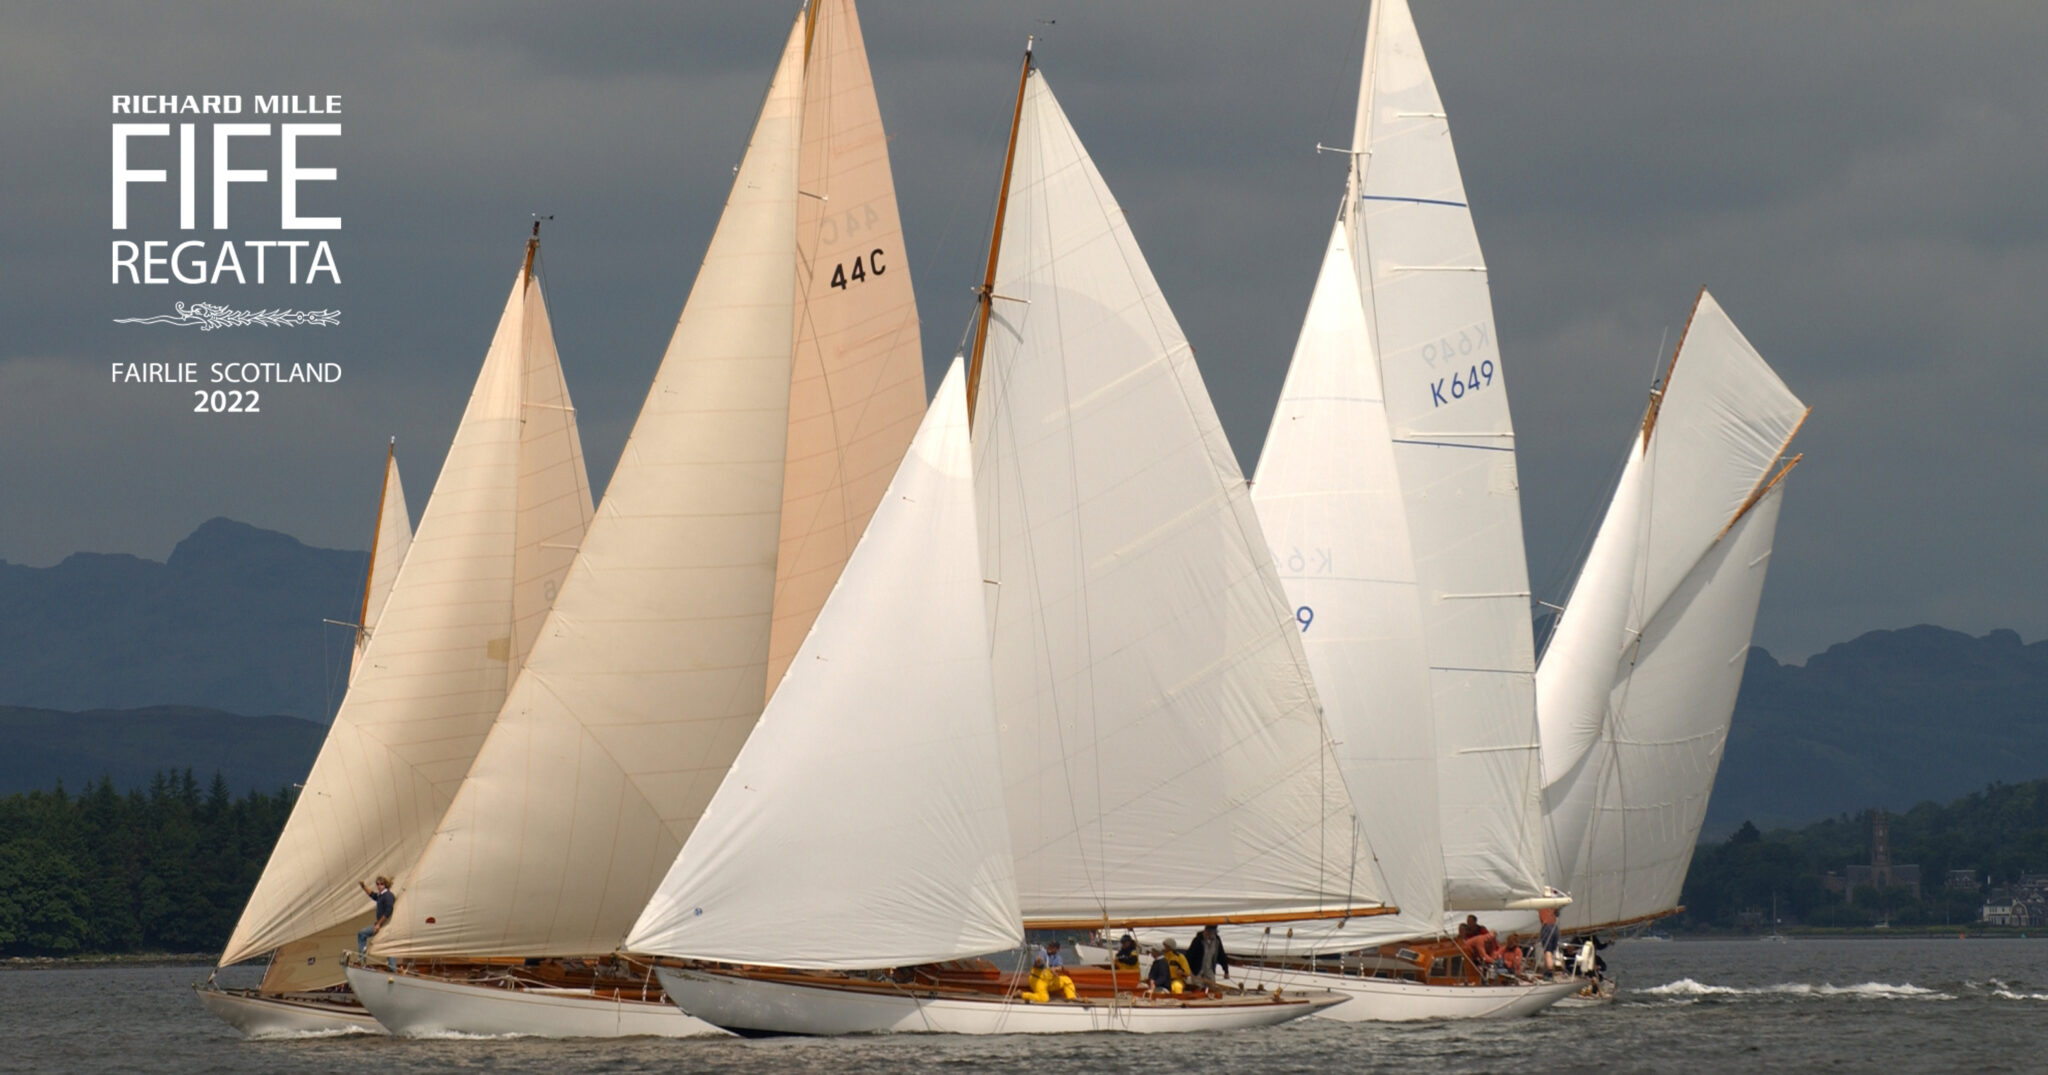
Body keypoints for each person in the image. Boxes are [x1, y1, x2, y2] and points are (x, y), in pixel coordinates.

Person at [356, 876, 395, 970]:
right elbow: (372, 895)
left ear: (385, 884)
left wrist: (378, 924)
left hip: (385, 925)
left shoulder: (388, 895)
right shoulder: (380, 895)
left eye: (381, 884)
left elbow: (388, 911)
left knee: (388, 945)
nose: (379, 886)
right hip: (380, 924)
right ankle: (362, 961)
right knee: (361, 934)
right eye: (377, 884)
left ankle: (393, 968)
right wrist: (363, 886)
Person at [1185, 925, 1230, 991]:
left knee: (1212, 987)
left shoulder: (1217, 941)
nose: (1211, 934)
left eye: (1213, 932)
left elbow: (1221, 955)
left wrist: (1226, 971)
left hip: (1209, 969)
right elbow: (1189, 955)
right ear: (1206, 930)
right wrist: (1185, 969)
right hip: (1197, 970)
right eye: (1209, 932)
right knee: (1198, 988)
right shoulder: (1198, 940)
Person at [1537, 907, 1561, 975]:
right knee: (1552, 952)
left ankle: (1549, 972)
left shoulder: (1542, 904)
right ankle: (1549, 968)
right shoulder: (1552, 905)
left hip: (1546, 927)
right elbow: (1557, 912)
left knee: (1547, 951)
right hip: (1555, 928)